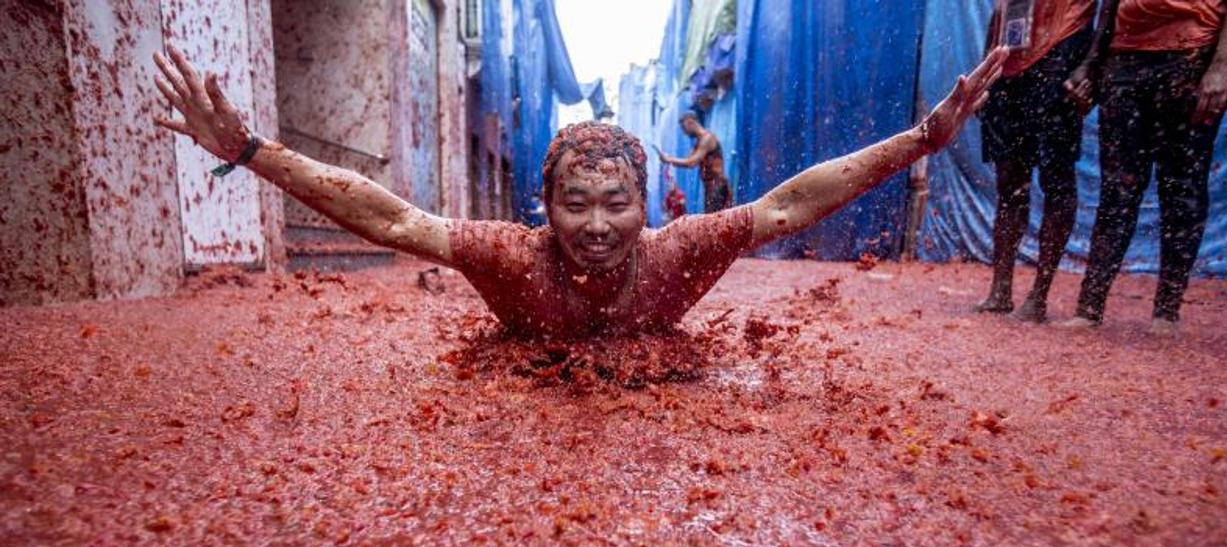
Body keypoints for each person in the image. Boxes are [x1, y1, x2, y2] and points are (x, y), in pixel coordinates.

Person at [151, 45, 1007, 339]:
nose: (596, 227)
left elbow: (790, 205)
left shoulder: (682, 251)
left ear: (645, 204)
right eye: (575, 203)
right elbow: (388, 215)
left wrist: (922, 140)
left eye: (615, 203)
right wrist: (254, 151)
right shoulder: (506, 259)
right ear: (544, 206)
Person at [1061, 0, 1227, 334]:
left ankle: (1167, 312)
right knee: (1117, 186)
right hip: (1125, 54)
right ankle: (1089, 308)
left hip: (1195, 49)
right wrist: (1091, 61)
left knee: (1183, 184)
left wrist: (1225, 60)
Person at [974, 0, 1096, 321]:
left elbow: (1108, 10)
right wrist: (986, 69)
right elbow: (1001, 9)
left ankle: (1038, 297)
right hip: (1009, 59)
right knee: (1009, 182)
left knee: (1057, 179)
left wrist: (1090, 65)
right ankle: (1000, 291)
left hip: (1061, 48)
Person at [658, 113, 733, 214]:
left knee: (716, 220)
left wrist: (669, 160)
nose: (685, 133)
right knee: (714, 219)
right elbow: (688, 161)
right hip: (711, 186)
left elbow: (691, 162)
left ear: (690, 122)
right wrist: (669, 158)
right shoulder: (699, 142)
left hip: (718, 186)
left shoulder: (708, 139)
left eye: (684, 128)